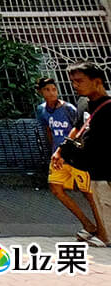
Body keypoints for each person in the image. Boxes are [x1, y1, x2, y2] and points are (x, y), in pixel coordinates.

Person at [55, 63, 111, 246]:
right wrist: (60, 151)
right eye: (73, 82)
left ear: (97, 81)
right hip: (94, 168)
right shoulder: (83, 103)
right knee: (102, 204)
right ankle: (104, 235)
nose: (75, 85)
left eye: (79, 81)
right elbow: (78, 128)